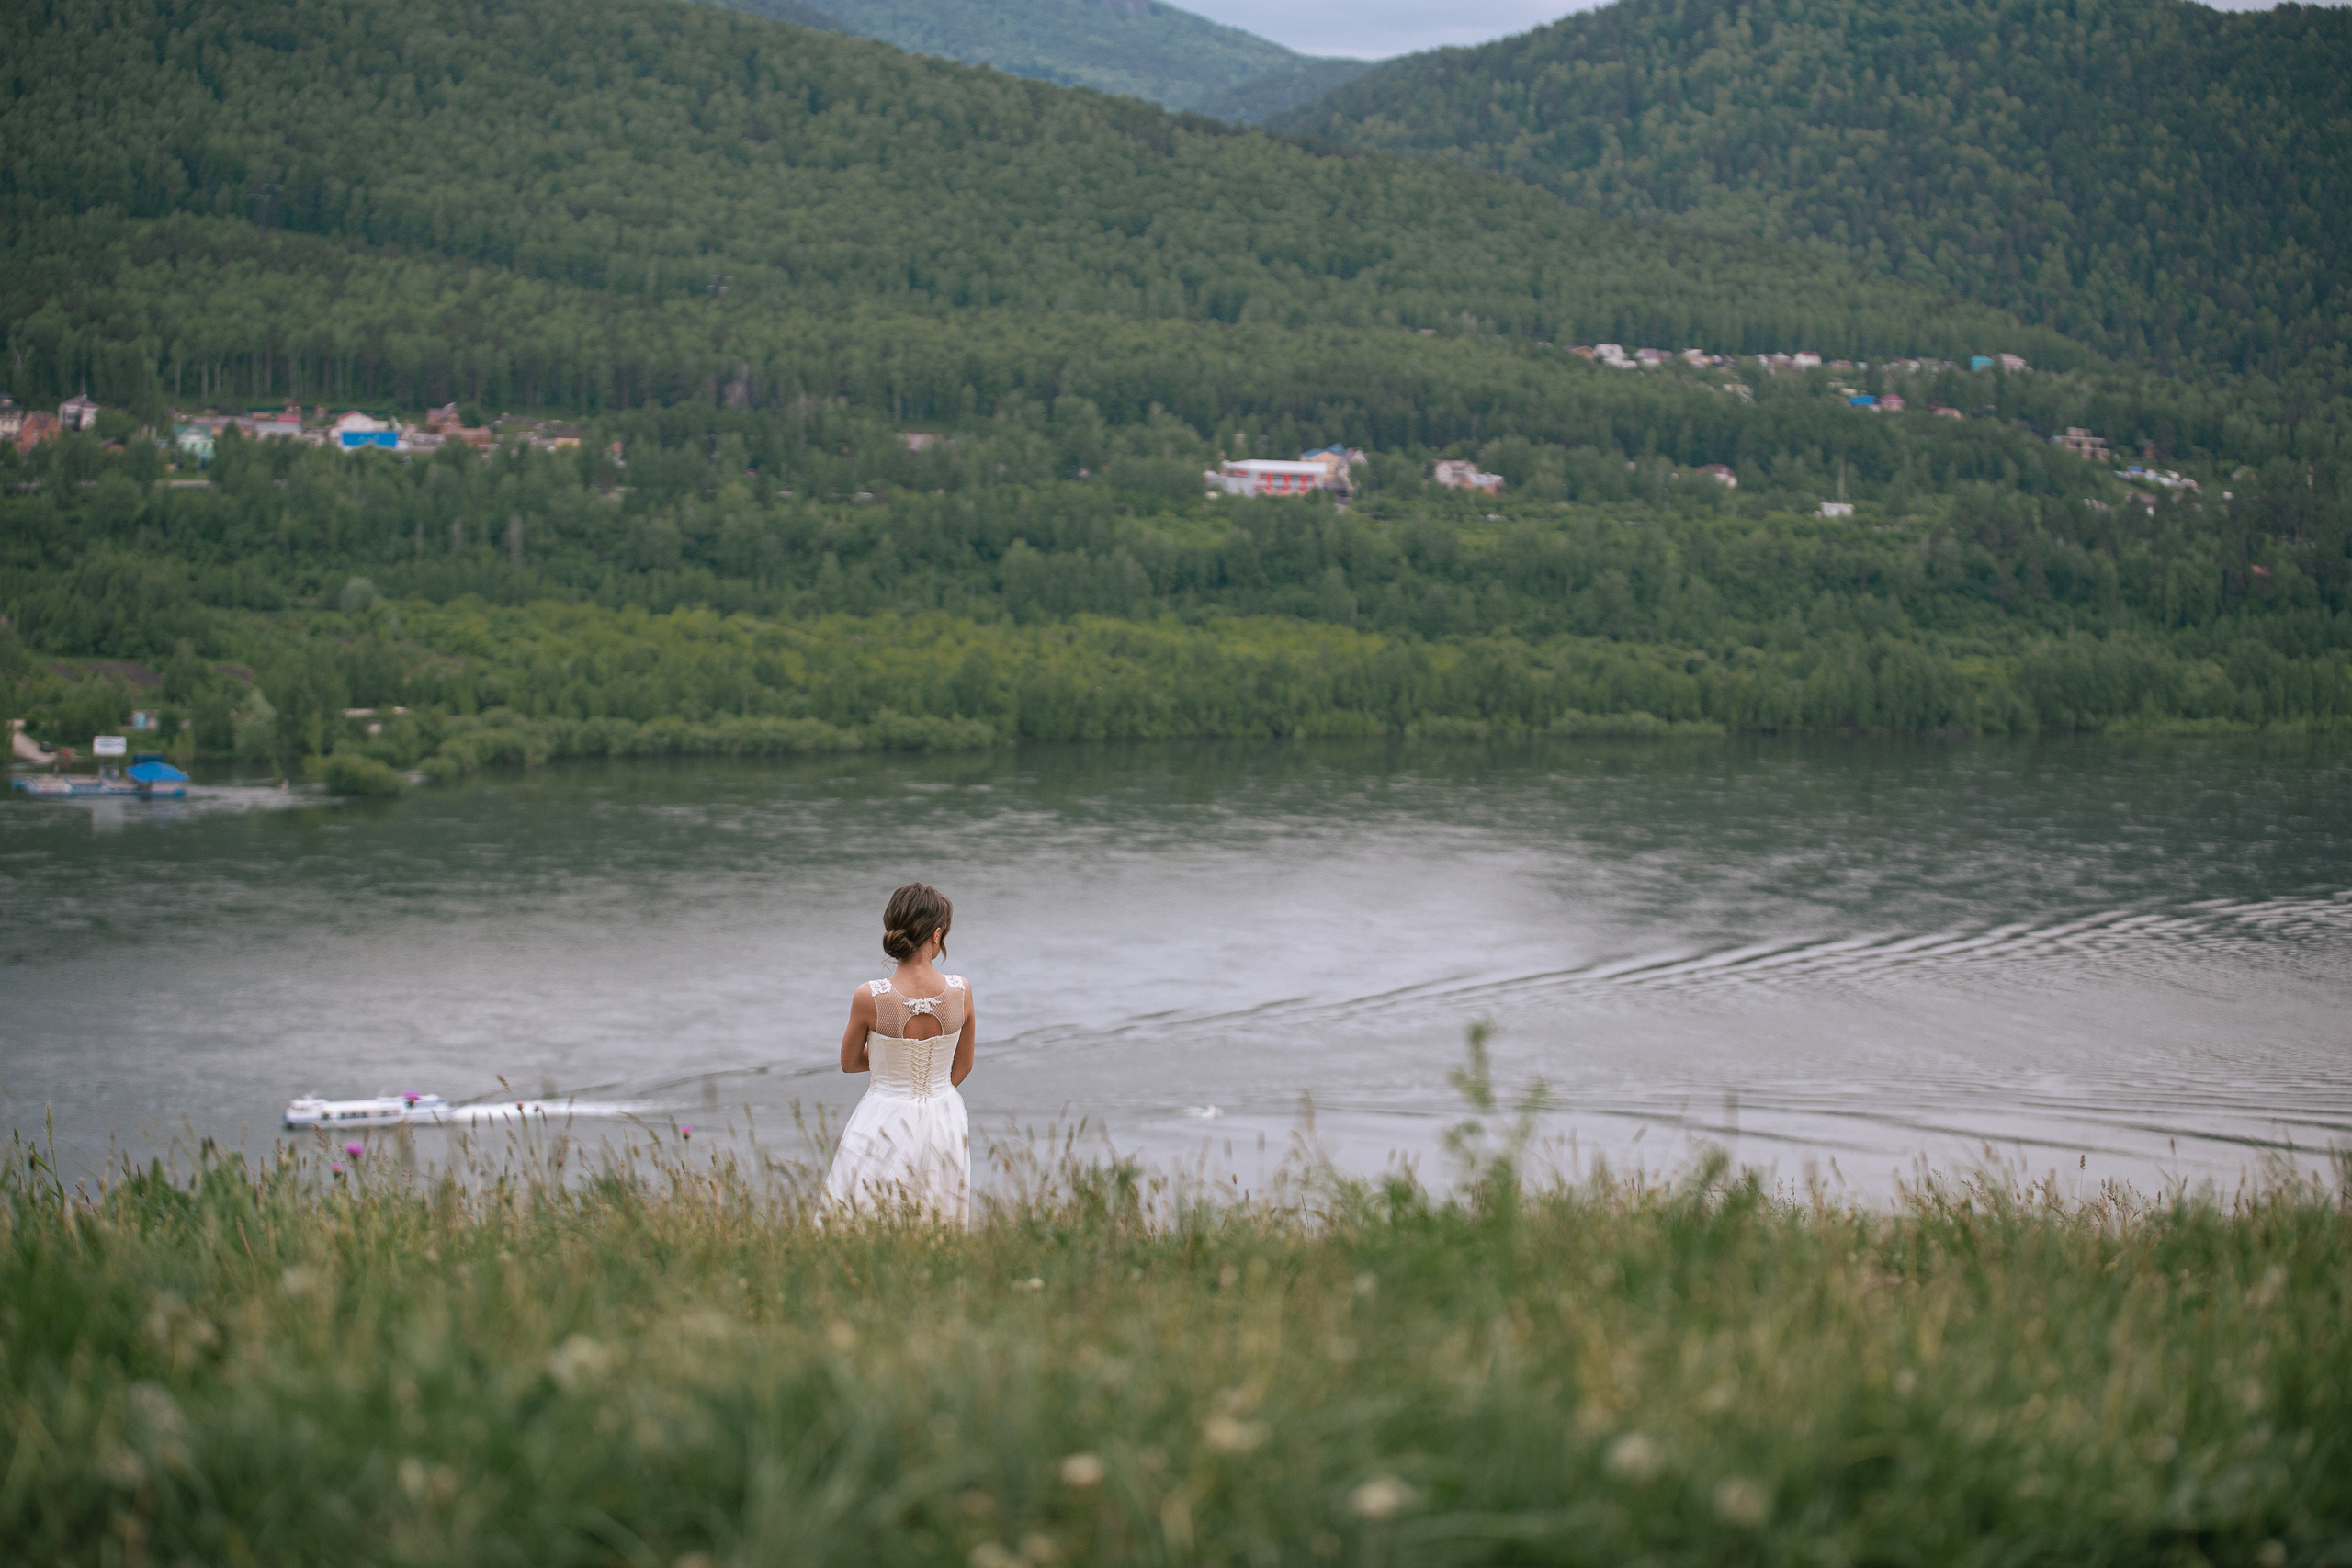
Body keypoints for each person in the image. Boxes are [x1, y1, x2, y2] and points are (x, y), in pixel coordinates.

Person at [820, 882, 976, 1224]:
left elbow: (849, 1063)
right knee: (939, 1219)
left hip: (883, 1114)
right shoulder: (960, 991)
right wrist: (934, 1093)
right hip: (945, 1117)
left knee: (866, 1214)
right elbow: (964, 1064)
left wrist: (893, 1072)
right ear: (937, 935)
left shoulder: (870, 996)